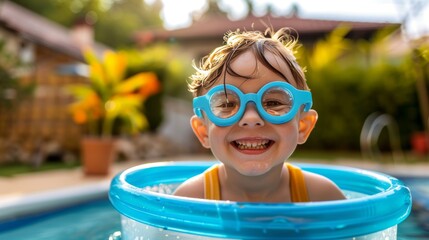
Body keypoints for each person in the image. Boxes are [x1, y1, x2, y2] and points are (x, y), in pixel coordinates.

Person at [174, 28, 345, 202]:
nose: (251, 118)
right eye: (227, 104)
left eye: (273, 103)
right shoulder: (190, 199)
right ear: (203, 131)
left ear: (303, 126)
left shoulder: (322, 196)